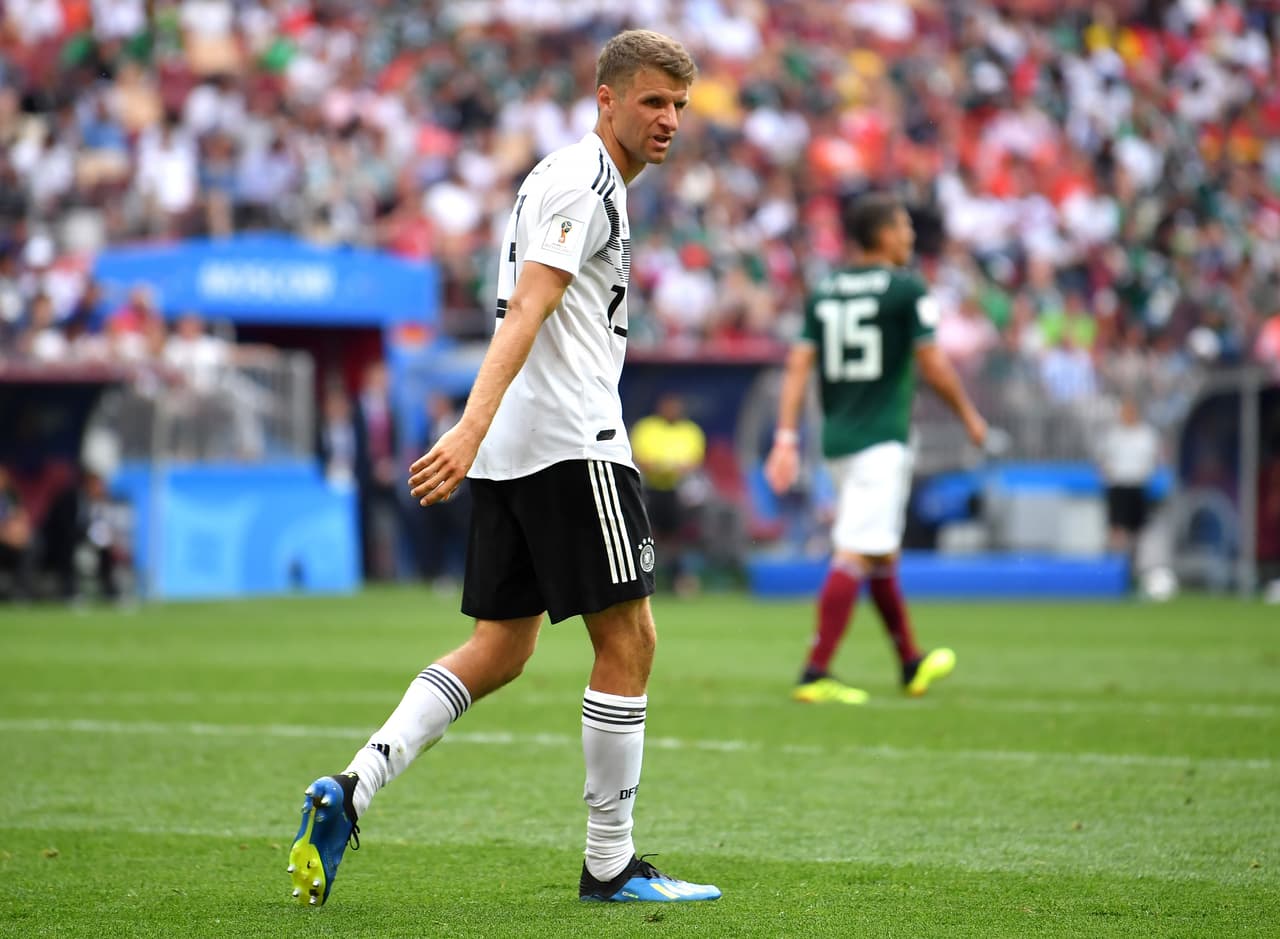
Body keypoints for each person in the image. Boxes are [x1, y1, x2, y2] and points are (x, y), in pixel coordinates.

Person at [287, 30, 719, 908]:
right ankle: (611, 863)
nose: (668, 119)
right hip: (570, 438)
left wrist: (481, 436)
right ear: (607, 99)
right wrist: (465, 426)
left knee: (501, 646)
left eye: (678, 104)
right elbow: (528, 308)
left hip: (521, 446)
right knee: (630, 638)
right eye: (651, 101)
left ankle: (352, 787)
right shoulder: (585, 180)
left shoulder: (572, 178)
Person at [764, 193, 988, 705]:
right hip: (881, 441)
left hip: (839, 441)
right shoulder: (905, 288)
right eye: (904, 226)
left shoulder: (826, 291)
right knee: (856, 551)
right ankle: (814, 671)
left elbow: (799, 365)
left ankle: (910, 661)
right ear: (883, 234)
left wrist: (786, 436)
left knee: (880, 550)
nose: (910, 236)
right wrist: (969, 415)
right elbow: (932, 364)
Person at [631, 393, 706, 594]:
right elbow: (639, 457)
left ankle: (680, 579)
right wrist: (658, 467)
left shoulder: (690, 430)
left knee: (677, 538)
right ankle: (642, 579)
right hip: (650, 489)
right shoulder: (647, 427)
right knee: (646, 534)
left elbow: (694, 461)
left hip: (678, 491)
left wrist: (675, 469)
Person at [1096, 397, 1161, 560]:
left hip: (1137, 485)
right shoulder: (1114, 434)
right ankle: (1116, 563)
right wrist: (1108, 475)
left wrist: (1147, 473)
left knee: (1136, 529)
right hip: (1118, 485)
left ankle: (1134, 564)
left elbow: (1154, 457)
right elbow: (1102, 459)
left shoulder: (1146, 434)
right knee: (1117, 528)